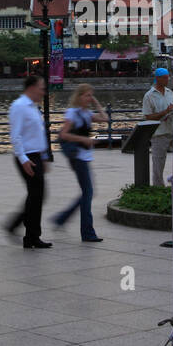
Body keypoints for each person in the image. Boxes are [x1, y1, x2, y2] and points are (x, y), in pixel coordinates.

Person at [54, 83, 107, 242]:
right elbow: (63, 134)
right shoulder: (73, 113)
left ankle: (62, 218)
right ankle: (87, 233)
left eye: (91, 95)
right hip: (77, 157)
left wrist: (96, 102)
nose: (89, 98)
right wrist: (83, 139)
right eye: (87, 95)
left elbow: (105, 119)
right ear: (79, 96)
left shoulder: (87, 113)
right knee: (88, 193)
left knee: (87, 193)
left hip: (84, 156)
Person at [7, 75, 51, 249]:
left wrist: (45, 156)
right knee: (36, 195)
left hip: (36, 155)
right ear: (31, 87)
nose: (43, 91)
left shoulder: (33, 107)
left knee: (36, 196)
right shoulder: (19, 106)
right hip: (27, 157)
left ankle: (30, 236)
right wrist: (23, 159)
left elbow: (38, 134)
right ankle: (27, 232)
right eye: (41, 87)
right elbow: (15, 135)